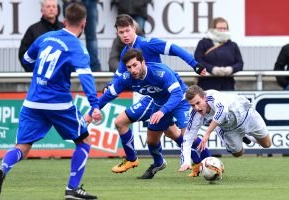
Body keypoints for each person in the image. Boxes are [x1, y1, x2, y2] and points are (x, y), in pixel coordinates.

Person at [0, 3, 101, 200]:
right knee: (84, 141)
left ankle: (2, 169)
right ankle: (72, 190)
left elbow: (26, 60)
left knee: (22, 147)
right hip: (58, 103)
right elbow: (86, 78)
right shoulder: (78, 48)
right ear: (84, 24)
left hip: (33, 101)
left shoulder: (45, 37)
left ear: (64, 21)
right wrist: (94, 105)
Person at [103, 14, 210, 176]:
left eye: (127, 30)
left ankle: (206, 161)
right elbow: (119, 76)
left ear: (135, 28)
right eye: (121, 32)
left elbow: (174, 48)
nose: (125, 35)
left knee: (181, 133)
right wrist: (109, 86)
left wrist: (194, 64)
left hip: (173, 94)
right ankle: (143, 160)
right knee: (125, 124)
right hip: (154, 98)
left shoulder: (147, 43)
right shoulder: (127, 53)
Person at [180, 85, 272, 176]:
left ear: (204, 98)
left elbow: (222, 110)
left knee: (267, 144)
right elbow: (187, 138)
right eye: (192, 105)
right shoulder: (194, 114)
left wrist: (207, 133)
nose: (196, 107)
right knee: (238, 153)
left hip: (247, 116)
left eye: (198, 103)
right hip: (228, 129)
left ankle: (246, 136)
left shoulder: (213, 96)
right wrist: (186, 162)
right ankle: (242, 136)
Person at [194, 17, 243, 90]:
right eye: (220, 28)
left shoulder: (232, 45)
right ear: (213, 29)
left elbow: (240, 63)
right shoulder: (203, 43)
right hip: (206, 86)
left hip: (227, 86)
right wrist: (212, 69)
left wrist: (231, 69)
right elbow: (197, 61)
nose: (222, 31)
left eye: (225, 28)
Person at [19, 0, 64, 72]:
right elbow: (23, 54)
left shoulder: (64, 29)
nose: (51, 9)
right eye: (48, 6)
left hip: (61, 76)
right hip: (39, 76)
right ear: (42, 10)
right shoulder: (33, 30)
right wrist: (34, 71)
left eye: (54, 6)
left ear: (57, 10)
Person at [62, 0, 101, 72]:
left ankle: (94, 67)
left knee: (91, 37)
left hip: (90, 2)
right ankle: (71, 64)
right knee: (71, 35)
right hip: (71, 2)